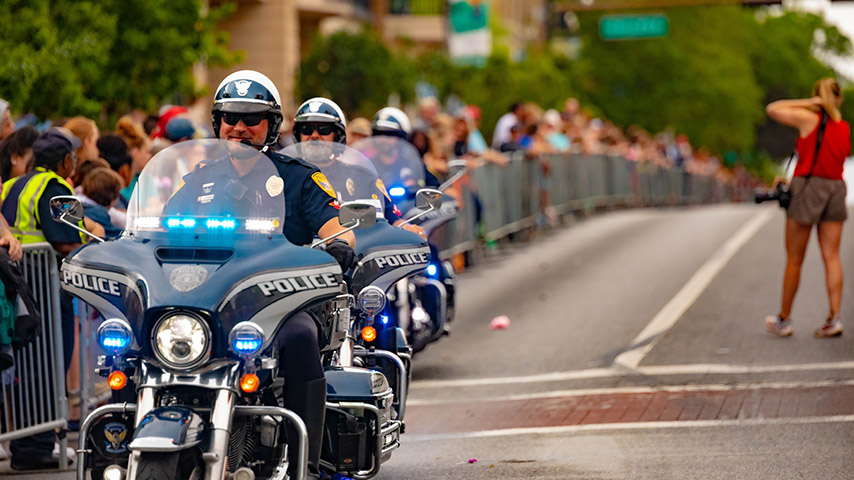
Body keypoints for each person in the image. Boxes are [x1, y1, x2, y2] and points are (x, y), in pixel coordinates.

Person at [208, 71, 354, 479]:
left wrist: (336, 245)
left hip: (282, 301)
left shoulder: (299, 177)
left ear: (270, 126)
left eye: (251, 118)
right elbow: (153, 231)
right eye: (230, 117)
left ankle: (303, 464)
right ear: (216, 123)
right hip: (211, 301)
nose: (239, 127)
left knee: (301, 336)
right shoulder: (200, 177)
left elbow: (338, 232)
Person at [0, 127, 96, 470]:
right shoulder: (54, 186)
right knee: (48, 364)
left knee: (24, 369)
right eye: (73, 156)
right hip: (44, 286)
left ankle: (26, 443)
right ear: (63, 160)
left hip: (17, 288)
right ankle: (36, 449)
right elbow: (68, 240)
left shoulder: (12, 184)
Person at [765, 78, 851, 338]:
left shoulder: (808, 120)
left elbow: (773, 108)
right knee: (832, 256)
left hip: (808, 189)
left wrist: (809, 104)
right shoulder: (843, 127)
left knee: (795, 257)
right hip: (836, 188)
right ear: (839, 99)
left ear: (817, 98)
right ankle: (834, 317)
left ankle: (784, 319)